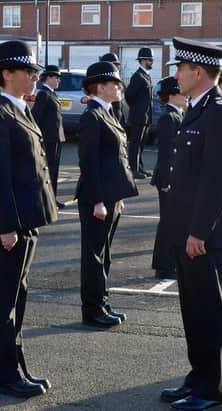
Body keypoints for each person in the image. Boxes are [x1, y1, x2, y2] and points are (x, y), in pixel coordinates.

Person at [160, 37, 222, 411]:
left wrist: (198, 231)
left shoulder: (220, 112)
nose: (175, 74)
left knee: (209, 314)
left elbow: (218, 179)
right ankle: (198, 380)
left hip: (206, 235)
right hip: (186, 231)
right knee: (192, 312)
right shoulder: (196, 109)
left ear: (198, 71)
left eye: (180, 68)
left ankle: (212, 393)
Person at [0, 40, 57, 398]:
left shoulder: (22, 111)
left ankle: (19, 367)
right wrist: (9, 225)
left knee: (19, 298)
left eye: (34, 71)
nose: (33, 76)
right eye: (27, 71)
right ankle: (6, 375)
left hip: (27, 219)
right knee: (5, 302)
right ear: (6, 74)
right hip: (11, 224)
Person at [76, 61, 138, 328]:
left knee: (105, 253)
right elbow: (89, 163)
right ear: (99, 87)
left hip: (110, 196)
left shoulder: (109, 112)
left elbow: (116, 158)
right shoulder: (92, 117)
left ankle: (102, 301)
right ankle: (92, 309)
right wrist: (99, 200)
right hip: (95, 199)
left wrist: (117, 196)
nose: (119, 87)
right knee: (94, 255)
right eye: (114, 83)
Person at [150, 76, 185, 280]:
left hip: (175, 177)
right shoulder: (168, 118)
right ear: (172, 96)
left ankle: (169, 262)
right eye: (182, 93)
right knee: (168, 223)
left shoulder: (179, 115)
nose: (186, 97)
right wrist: (166, 180)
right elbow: (165, 152)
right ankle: (163, 266)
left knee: (173, 221)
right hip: (168, 178)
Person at [32, 64, 66, 209]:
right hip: (48, 139)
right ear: (48, 78)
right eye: (56, 77)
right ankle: (45, 201)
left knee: (54, 171)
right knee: (48, 171)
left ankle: (52, 199)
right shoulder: (43, 94)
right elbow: (36, 117)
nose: (58, 80)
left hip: (57, 138)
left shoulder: (51, 93)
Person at [125, 47, 154, 179]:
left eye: (152, 59)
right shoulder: (137, 77)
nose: (151, 62)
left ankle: (140, 168)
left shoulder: (146, 76)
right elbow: (129, 95)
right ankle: (133, 169)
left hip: (146, 117)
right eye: (149, 59)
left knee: (141, 145)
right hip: (138, 117)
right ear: (142, 60)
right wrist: (137, 109)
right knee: (135, 144)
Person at [100, 52, 125, 124]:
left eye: (118, 65)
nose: (118, 67)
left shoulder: (118, 79)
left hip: (119, 115)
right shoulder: (104, 83)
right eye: (115, 65)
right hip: (110, 117)